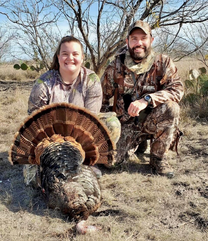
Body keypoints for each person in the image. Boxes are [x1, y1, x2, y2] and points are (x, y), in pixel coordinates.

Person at [101, 20, 184, 178]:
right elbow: (102, 99)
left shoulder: (163, 62)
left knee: (172, 108)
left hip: (154, 121)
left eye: (143, 38)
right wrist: (106, 129)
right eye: (134, 38)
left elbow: (177, 89)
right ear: (127, 41)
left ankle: (157, 158)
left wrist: (147, 99)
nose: (139, 43)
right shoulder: (115, 66)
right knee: (110, 162)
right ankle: (139, 142)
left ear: (151, 40)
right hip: (126, 124)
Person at [24, 36, 103, 186]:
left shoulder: (91, 80)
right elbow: (34, 121)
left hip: (80, 136)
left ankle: (87, 162)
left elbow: (91, 119)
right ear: (58, 57)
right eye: (65, 54)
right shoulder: (44, 82)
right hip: (50, 137)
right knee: (34, 181)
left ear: (82, 57)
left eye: (75, 54)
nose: (70, 58)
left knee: (110, 123)